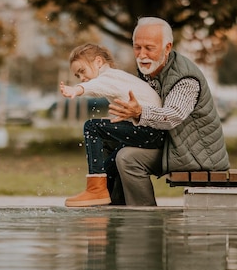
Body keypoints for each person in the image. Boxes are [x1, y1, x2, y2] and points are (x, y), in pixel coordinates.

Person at [105, 17, 230, 206]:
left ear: (167, 47)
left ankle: (144, 219)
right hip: (172, 145)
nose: (141, 54)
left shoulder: (185, 78)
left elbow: (172, 116)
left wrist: (139, 112)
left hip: (195, 154)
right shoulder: (151, 71)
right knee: (109, 137)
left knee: (127, 158)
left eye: (149, 48)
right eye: (137, 47)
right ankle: (112, 206)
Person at [59, 43, 164, 207]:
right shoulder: (117, 79)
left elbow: (94, 87)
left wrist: (76, 89)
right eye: (77, 76)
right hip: (151, 132)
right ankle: (111, 208)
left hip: (152, 131)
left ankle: (95, 189)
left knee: (92, 127)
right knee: (107, 168)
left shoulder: (109, 77)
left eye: (82, 71)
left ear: (98, 62)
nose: (82, 78)